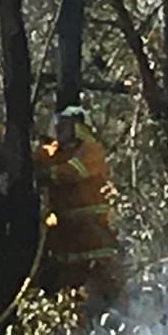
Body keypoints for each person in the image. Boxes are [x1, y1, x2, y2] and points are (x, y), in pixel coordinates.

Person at [34, 104, 121, 305]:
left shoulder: (90, 150)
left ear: (79, 127)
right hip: (66, 242)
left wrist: (47, 174)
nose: (59, 130)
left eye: (65, 125)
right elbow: (29, 156)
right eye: (58, 125)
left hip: (94, 240)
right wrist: (0, 133)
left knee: (103, 298)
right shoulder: (52, 153)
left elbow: (74, 171)